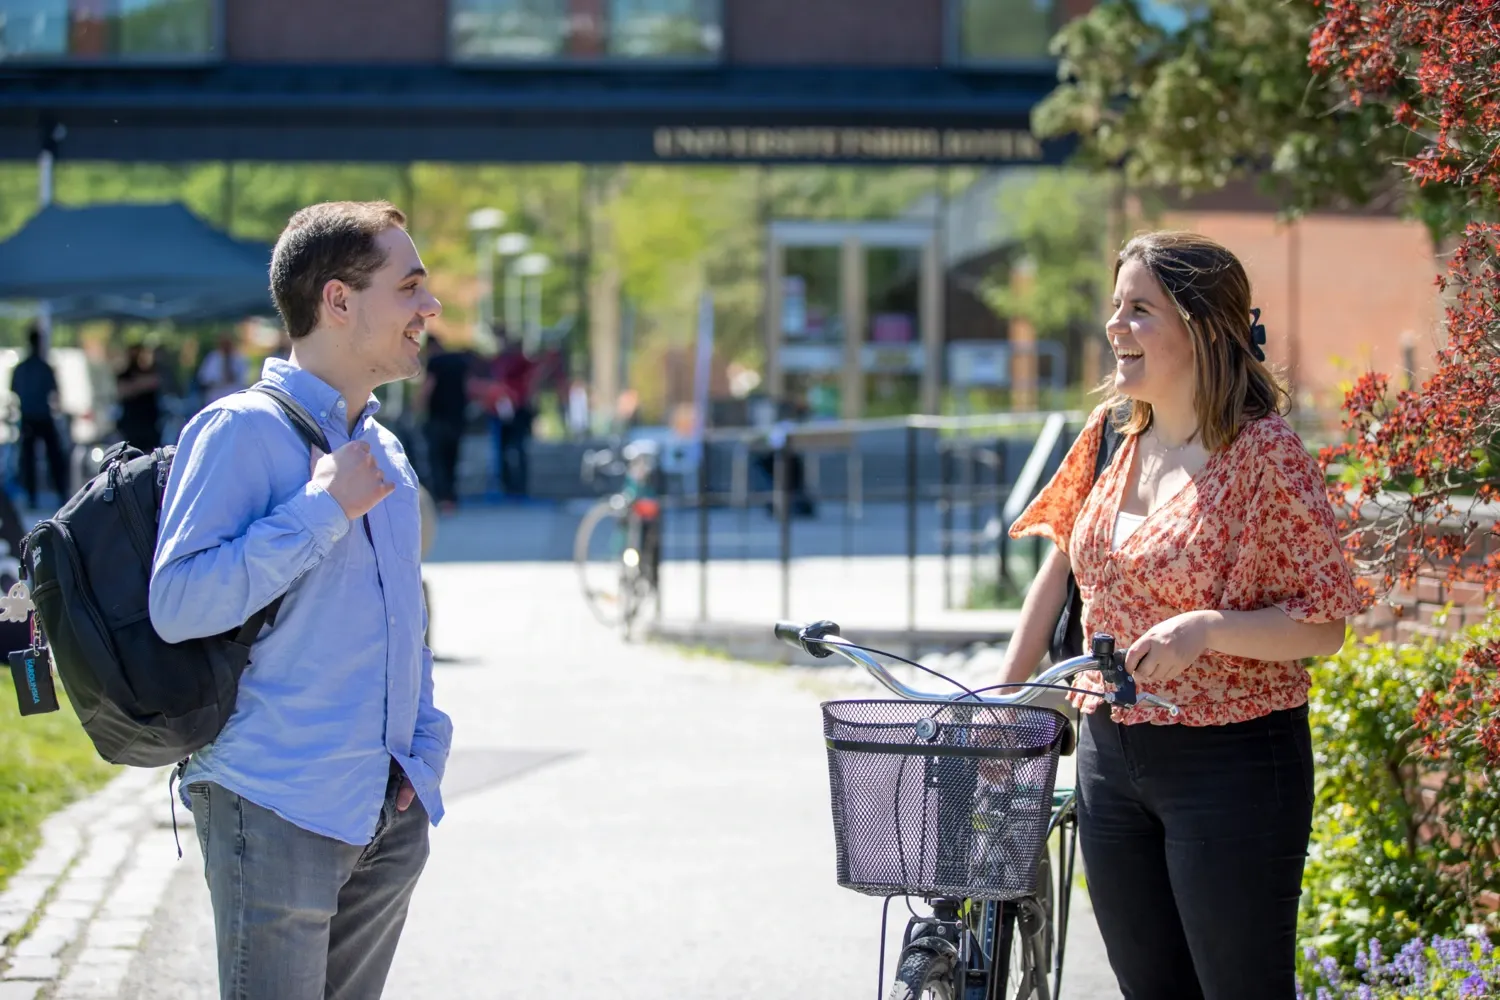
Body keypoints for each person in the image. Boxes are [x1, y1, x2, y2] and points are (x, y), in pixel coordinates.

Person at [1001, 231, 1362, 999]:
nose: (1114, 328)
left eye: (1139, 310)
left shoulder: (1265, 455)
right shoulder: (1109, 439)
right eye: (1114, 308)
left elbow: (1324, 624)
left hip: (1229, 765)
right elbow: (1060, 569)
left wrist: (1207, 630)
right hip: (1108, 759)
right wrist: (1002, 701)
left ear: (1198, 326)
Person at [149, 200, 452, 1000]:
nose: (431, 307)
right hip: (274, 805)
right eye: (410, 286)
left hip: (383, 812)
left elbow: (403, 624)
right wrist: (319, 512)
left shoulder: (384, 449)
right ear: (339, 300)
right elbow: (177, 602)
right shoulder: (239, 431)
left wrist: (422, 760)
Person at [7, 324, 69, 509]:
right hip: (41, 416)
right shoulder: (43, 367)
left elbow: (15, 391)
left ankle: (33, 496)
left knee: (30, 460)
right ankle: (59, 493)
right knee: (51, 458)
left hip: (29, 417)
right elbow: (54, 392)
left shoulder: (22, 368)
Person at [418, 333, 470, 512]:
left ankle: (441, 497)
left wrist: (417, 408)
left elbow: (428, 387)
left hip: (438, 417)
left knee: (437, 459)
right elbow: (468, 386)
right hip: (457, 417)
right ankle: (451, 497)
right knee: (452, 458)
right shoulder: (459, 361)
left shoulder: (435, 362)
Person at [487, 329, 536, 498]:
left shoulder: (520, 363)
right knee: (506, 448)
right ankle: (508, 484)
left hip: (517, 407)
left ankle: (517, 485)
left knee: (516, 447)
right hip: (504, 407)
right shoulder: (501, 362)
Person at [115, 343, 163, 452]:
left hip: (149, 425)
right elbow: (122, 391)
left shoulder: (151, 371)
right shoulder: (125, 374)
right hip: (131, 425)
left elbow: (153, 382)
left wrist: (135, 385)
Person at [196, 333, 248, 406]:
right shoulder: (212, 358)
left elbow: (244, 378)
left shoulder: (240, 358)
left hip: (234, 397)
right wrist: (217, 381)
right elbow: (204, 378)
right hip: (216, 397)